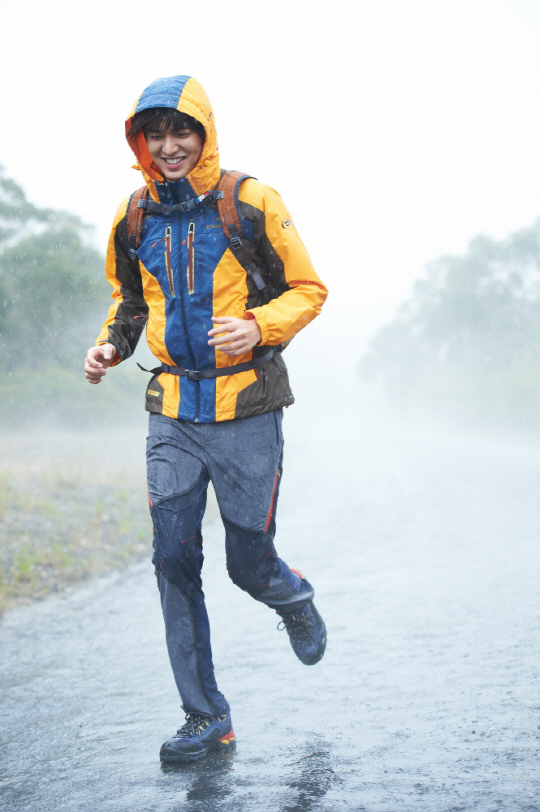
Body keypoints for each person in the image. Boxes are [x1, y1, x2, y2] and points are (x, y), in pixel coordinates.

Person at [84, 75, 328, 763]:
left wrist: (258, 325)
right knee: (171, 557)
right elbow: (129, 300)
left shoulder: (250, 203)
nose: (168, 147)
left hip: (247, 406)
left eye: (180, 132)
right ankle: (205, 717)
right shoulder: (134, 216)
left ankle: (292, 596)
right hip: (173, 412)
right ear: (140, 142)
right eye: (154, 135)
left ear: (205, 132)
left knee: (246, 564)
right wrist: (111, 344)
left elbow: (307, 290)